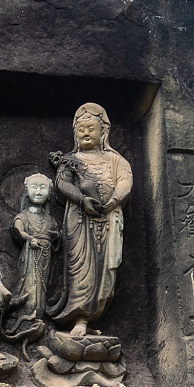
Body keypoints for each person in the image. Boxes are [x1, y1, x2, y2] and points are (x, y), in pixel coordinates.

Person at [51, 102, 133, 335]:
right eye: (81, 130)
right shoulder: (70, 160)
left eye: (91, 129)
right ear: (75, 134)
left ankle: (93, 317)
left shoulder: (115, 160)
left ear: (103, 132)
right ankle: (80, 318)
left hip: (108, 217)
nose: (86, 133)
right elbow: (62, 183)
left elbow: (125, 181)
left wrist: (114, 200)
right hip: (79, 219)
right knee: (81, 267)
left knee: (105, 269)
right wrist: (81, 199)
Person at [5, 173, 60, 341]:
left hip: (45, 256)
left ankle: (38, 316)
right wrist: (29, 238)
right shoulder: (23, 216)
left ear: (49, 193)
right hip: (30, 256)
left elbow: (57, 234)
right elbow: (18, 229)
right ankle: (24, 315)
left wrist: (56, 236)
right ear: (26, 191)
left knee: (42, 287)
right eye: (34, 187)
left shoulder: (49, 219)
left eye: (43, 188)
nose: (38, 192)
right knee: (28, 284)